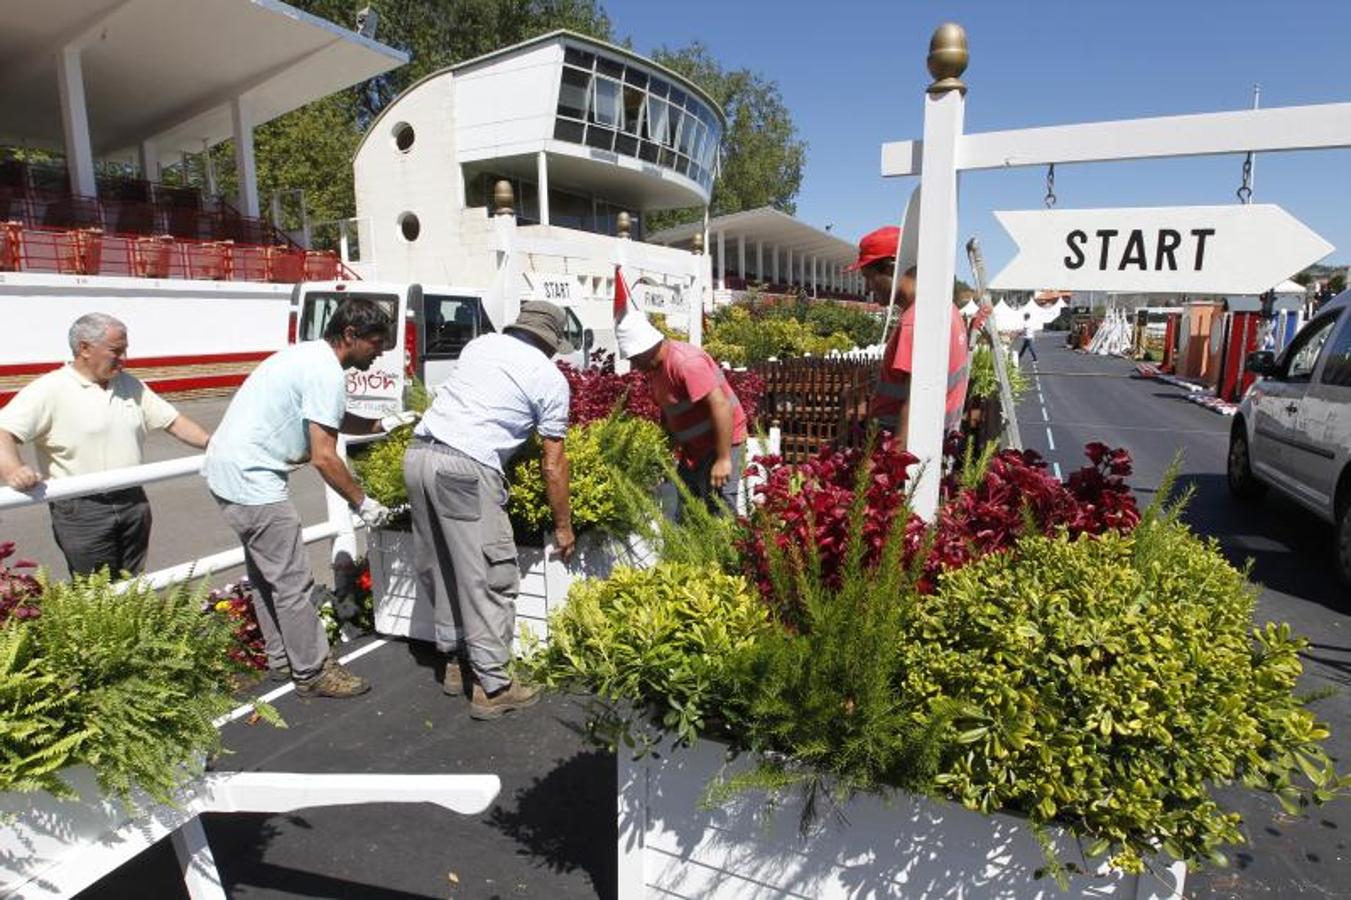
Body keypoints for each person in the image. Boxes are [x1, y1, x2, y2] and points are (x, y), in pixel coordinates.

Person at [204, 297, 404, 698]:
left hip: (227, 473)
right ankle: (313, 672)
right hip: (253, 482)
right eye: (377, 343)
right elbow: (324, 456)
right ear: (350, 335)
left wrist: (382, 423)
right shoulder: (325, 373)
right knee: (292, 581)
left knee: (267, 576)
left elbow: (327, 416)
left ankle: (282, 659)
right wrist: (363, 502)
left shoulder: (309, 358)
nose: (380, 354)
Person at [405, 300, 574, 721]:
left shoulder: (480, 346)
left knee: (443, 563)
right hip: (465, 469)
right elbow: (553, 463)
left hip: (418, 454)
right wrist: (563, 525)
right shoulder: (549, 378)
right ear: (551, 342)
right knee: (488, 574)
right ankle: (493, 685)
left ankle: (455, 665)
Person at [0, 312, 211, 577]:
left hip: (132, 501)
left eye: (125, 351)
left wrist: (213, 444)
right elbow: (3, 431)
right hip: (82, 507)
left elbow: (174, 422)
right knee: (94, 595)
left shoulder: (130, 385)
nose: (124, 359)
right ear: (84, 348)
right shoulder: (49, 389)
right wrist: (13, 470)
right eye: (116, 351)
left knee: (132, 583)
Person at [616, 309, 747, 518]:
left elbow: (721, 406)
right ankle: (694, 548)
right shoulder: (655, 369)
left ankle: (728, 550)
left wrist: (723, 459)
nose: (633, 366)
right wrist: (666, 450)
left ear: (647, 349)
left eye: (635, 358)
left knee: (720, 506)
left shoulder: (686, 363)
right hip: (694, 448)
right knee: (689, 502)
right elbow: (670, 411)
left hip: (722, 441)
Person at [847, 226, 969, 445]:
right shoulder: (946, 309)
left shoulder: (915, 322)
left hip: (902, 451)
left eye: (870, 277)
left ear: (892, 268)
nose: (867, 287)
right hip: (938, 441)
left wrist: (884, 468)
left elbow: (915, 406)